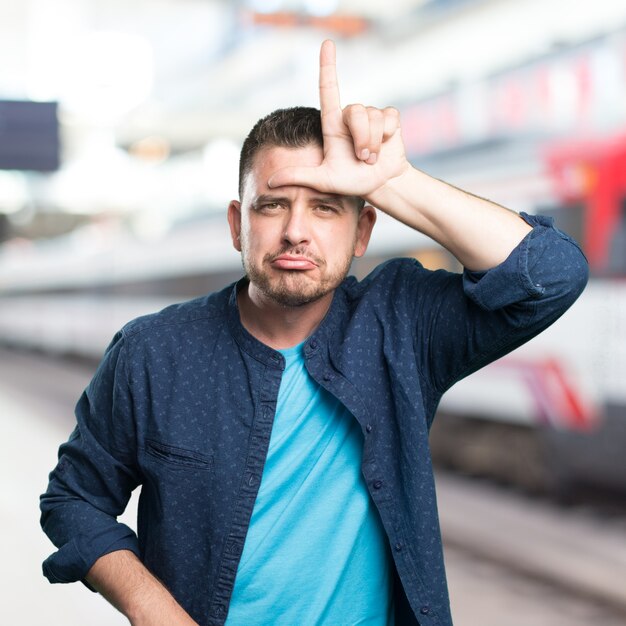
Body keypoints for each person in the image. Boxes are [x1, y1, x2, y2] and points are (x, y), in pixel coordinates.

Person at [40, 40, 588, 626]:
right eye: (273, 205)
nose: (296, 231)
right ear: (237, 223)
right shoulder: (153, 353)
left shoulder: (400, 326)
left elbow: (551, 276)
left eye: (327, 207)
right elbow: (74, 499)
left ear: (363, 231)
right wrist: (154, 610)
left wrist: (394, 179)